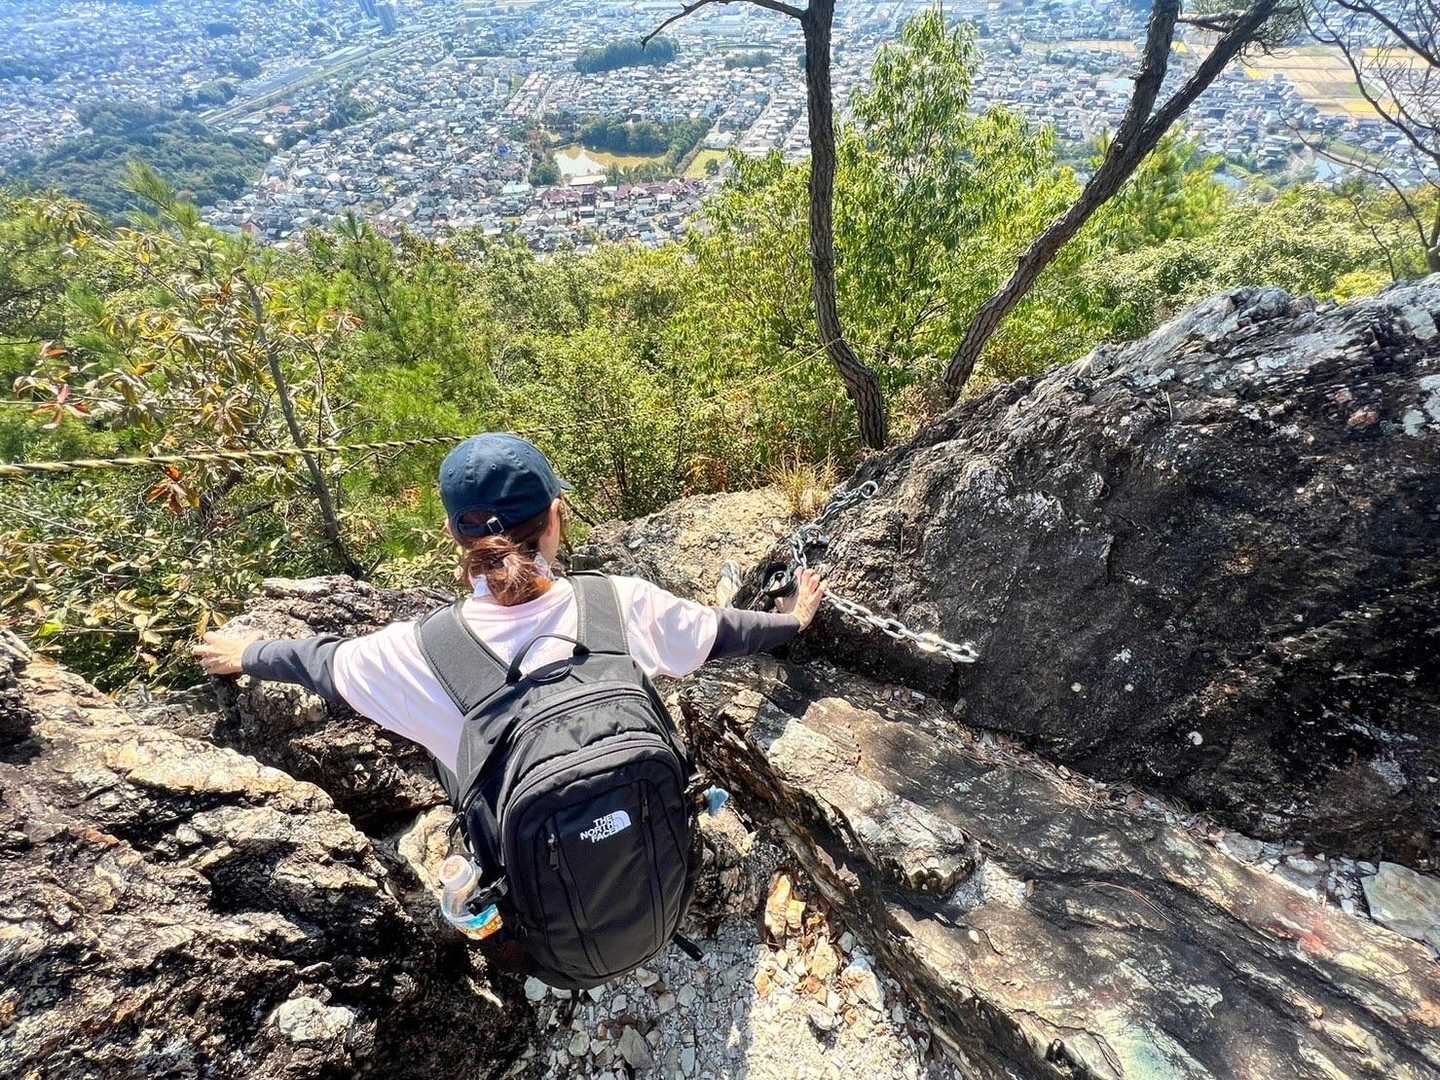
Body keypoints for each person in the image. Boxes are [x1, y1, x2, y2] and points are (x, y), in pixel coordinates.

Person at [194, 433, 827, 777]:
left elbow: (319, 662)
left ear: (455, 535)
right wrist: (794, 619)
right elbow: (723, 631)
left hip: (543, 903)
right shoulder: (621, 603)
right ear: (556, 517)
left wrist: (247, 653)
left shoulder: (415, 653)